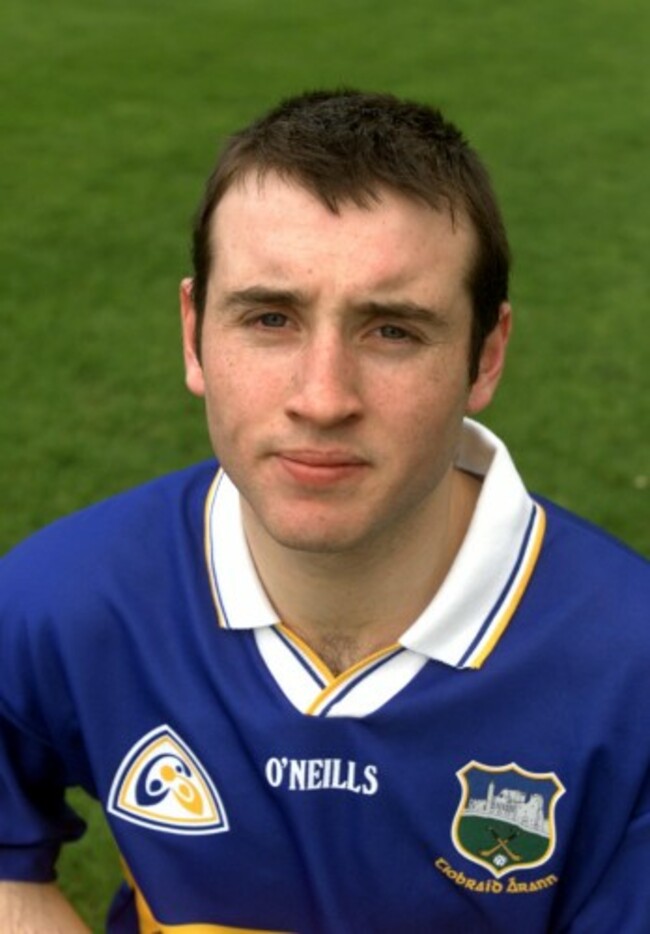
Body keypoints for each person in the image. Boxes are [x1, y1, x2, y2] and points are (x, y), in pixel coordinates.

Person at [0, 89, 648, 934]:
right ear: (194, 334)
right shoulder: (58, 602)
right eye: (271, 318)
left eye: (392, 331)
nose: (322, 397)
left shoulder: (630, 669)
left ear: (485, 356)